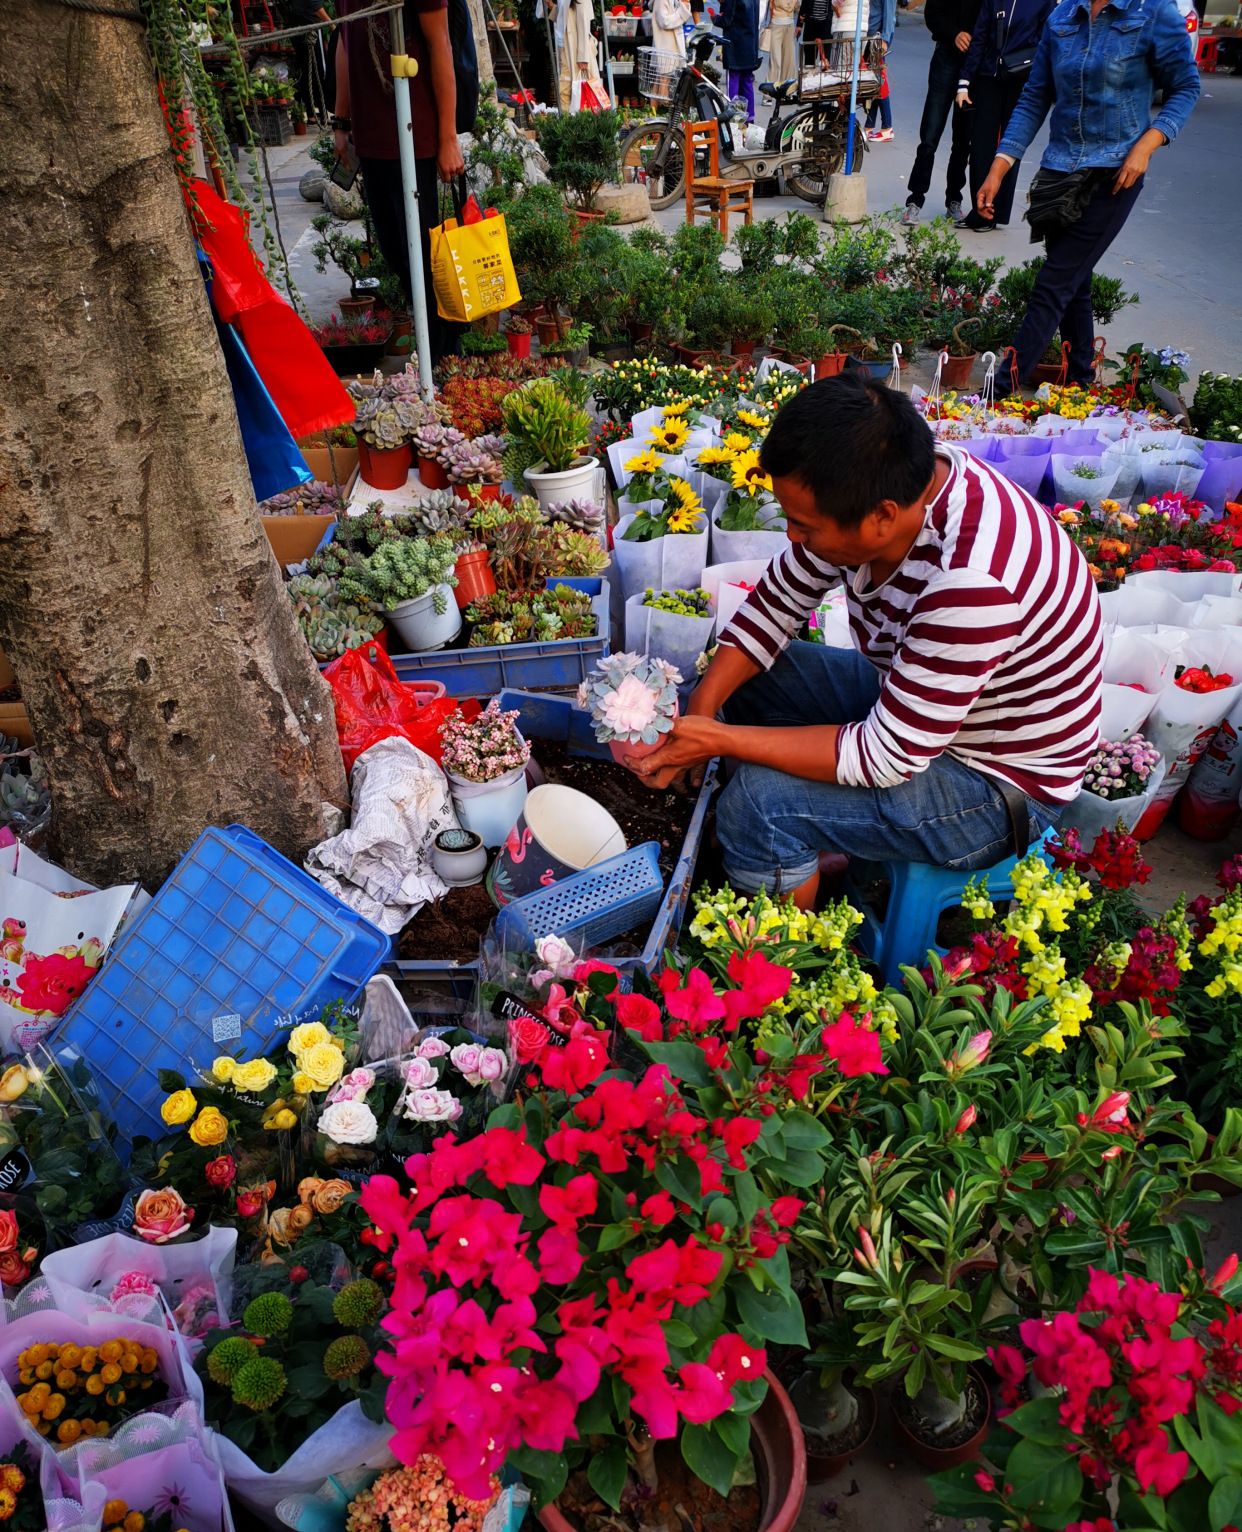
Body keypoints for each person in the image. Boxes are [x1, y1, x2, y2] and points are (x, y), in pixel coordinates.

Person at [633, 376, 1103, 909]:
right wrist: (704, 711)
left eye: (803, 525)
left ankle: (788, 959)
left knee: (757, 804)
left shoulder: (972, 584)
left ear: (882, 516)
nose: (792, 536)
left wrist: (721, 740)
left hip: (991, 784)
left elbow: (886, 757)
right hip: (921, 710)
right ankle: (795, 851)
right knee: (746, 684)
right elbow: (776, 603)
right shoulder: (887, 482)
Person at [978, 0, 1200, 388]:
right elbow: (1035, 96)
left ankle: (1000, 387)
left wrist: (1146, 146)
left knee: (1053, 283)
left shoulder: (1153, 12)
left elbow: (1185, 86)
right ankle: (1080, 382)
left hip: (1115, 173)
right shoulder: (1062, 17)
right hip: (1060, 173)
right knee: (1073, 284)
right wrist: (998, 167)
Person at [334, 0, 466, 364]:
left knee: (426, 260)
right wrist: (341, 120)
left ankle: (445, 359)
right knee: (396, 251)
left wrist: (448, 138)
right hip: (371, 140)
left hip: (416, 138)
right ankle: (435, 355)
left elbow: (440, 44)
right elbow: (344, 42)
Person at [955, 0, 1053, 230]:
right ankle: (980, 208)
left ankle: (996, 212)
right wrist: (964, 81)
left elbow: (1045, 42)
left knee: (1010, 146)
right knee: (980, 145)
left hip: (1022, 79)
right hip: (989, 77)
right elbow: (979, 38)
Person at [900, 0, 979, 223]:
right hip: (945, 57)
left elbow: (989, 21)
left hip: (972, 64)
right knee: (930, 135)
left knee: (963, 140)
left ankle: (954, 199)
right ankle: (915, 200)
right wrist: (954, 34)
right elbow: (932, 15)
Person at [284, 0, 333, 124]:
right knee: (320, 70)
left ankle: (311, 114)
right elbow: (315, 5)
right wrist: (332, 24)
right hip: (311, 28)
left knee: (306, 70)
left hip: (296, 29)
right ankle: (323, 113)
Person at [721, 0, 762, 119]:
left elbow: (726, 20)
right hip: (750, 44)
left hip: (735, 45)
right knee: (747, 82)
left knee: (733, 80)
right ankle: (750, 117)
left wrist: (715, 18)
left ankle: (733, 118)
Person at [763, 0, 800, 87]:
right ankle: (768, 94)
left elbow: (797, 8)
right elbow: (776, 5)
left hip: (790, 24)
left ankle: (786, 90)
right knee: (775, 62)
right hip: (776, 23)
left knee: (789, 62)